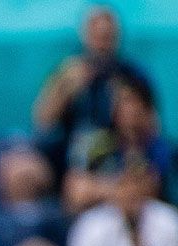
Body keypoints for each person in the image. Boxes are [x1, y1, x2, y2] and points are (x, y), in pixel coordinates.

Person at [31, 6, 157, 167]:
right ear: (85, 36)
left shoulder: (133, 75)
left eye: (107, 37)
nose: (102, 45)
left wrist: (126, 106)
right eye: (97, 36)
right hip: (69, 156)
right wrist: (64, 90)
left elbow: (153, 129)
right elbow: (41, 123)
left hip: (120, 154)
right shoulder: (67, 70)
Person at [64, 75, 171, 214]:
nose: (129, 108)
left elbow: (147, 191)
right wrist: (118, 190)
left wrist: (97, 186)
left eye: (133, 101)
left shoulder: (156, 147)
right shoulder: (95, 143)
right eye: (122, 101)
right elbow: (76, 192)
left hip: (144, 218)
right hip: (100, 216)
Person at [64, 169, 178, 246]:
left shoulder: (169, 221)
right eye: (124, 183)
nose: (131, 190)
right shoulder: (90, 227)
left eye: (137, 183)